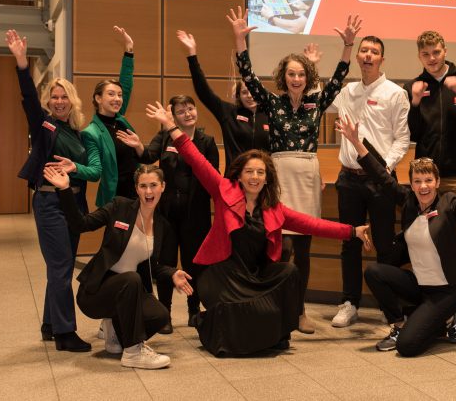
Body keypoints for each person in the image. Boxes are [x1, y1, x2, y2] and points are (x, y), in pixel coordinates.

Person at [145, 101, 370, 356]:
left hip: (253, 274)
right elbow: (196, 159)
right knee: (242, 312)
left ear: (267, 178)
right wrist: (172, 126)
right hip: (221, 273)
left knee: (289, 271)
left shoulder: (274, 208)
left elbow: (312, 224)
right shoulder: (223, 191)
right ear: (239, 175)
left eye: (260, 172)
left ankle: (280, 329)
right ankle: (207, 322)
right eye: (249, 172)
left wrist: (352, 231)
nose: (254, 177)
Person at [336, 114, 456, 357]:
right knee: (375, 272)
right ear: (411, 183)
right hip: (420, 286)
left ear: (437, 182)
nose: (423, 186)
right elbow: (381, 176)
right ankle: (399, 325)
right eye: (417, 181)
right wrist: (357, 143)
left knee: (407, 348)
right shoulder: (409, 202)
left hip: (446, 291)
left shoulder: (449, 203)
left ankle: (447, 320)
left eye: (428, 180)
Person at [230, 6, 357, 333]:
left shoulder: (317, 103)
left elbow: (340, 77)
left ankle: (300, 312)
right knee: (281, 247)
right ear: (283, 77)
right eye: (291, 74)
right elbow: (248, 76)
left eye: (301, 74)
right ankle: (277, 308)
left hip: (307, 174)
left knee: (303, 248)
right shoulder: (272, 102)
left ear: (307, 77)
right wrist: (239, 41)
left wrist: (348, 46)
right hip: (280, 174)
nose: (296, 79)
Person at [42, 164, 193, 369]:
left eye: (153, 185)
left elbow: (153, 266)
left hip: (129, 293)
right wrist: (65, 189)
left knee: (160, 315)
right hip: (96, 292)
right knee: (131, 279)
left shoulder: (162, 225)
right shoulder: (119, 207)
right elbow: (81, 224)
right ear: (136, 189)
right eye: (143, 186)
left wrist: (172, 273)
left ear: (163, 187)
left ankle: (116, 329)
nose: (148, 192)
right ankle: (133, 352)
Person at [6, 29, 98, 353]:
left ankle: (49, 324)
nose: (59, 102)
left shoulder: (78, 131)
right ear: (49, 102)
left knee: (60, 265)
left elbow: (86, 173)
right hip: (49, 202)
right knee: (61, 269)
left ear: (72, 101)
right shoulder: (44, 125)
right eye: (54, 97)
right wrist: (21, 62)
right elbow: (29, 99)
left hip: (73, 204)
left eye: (64, 97)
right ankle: (65, 333)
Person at [328, 35, 410, 327]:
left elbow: (402, 140)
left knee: (385, 246)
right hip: (348, 179)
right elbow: (319, 97)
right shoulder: (346, 92)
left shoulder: (395, 93)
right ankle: (349, 303)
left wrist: (382, 169)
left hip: (381, 181)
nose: (368, 55)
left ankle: (390, 308)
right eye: (364, 50)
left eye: (374, 52)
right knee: (349, 242)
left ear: (381, 60)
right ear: (358, 56)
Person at [117, 95, 219, 330]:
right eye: (181, 111)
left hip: (196, 213)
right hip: (167, 214)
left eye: (190, 109)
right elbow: (149, 156)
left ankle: (195, 310)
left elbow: (213, 176)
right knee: (166, 262)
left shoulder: (206, 140)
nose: (188, 114)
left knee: (195, 264)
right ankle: (165, 314)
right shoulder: (164, 136)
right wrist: (138, 145)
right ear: (173, 115)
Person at [403, 30, 456, 332]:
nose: (432, 59)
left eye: (436, 52)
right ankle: (431, 303)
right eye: (426, 55)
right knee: (425, 244)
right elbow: (412, 134)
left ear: (444, 50)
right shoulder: (415, 86)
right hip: (426, 181)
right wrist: (412, 104)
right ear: (420, 56)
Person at [52, 27, 139, 207]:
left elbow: (126, 83)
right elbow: (94, 172)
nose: (117, 99)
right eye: (111, 94)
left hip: (139, 194)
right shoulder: (91, 133)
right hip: (116, 199)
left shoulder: (120, 119)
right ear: (98, 98)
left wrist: (129, 50)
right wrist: (75, 167)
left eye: (119, 95)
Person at [177, 30, 270, 172]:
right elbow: (204, 92)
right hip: (235, 180)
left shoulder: (271, 114)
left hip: (263, 181)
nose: (250, 96)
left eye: (253, 91)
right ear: (238, 96)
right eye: (244, 92)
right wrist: (192, 56)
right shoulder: (229, 113)